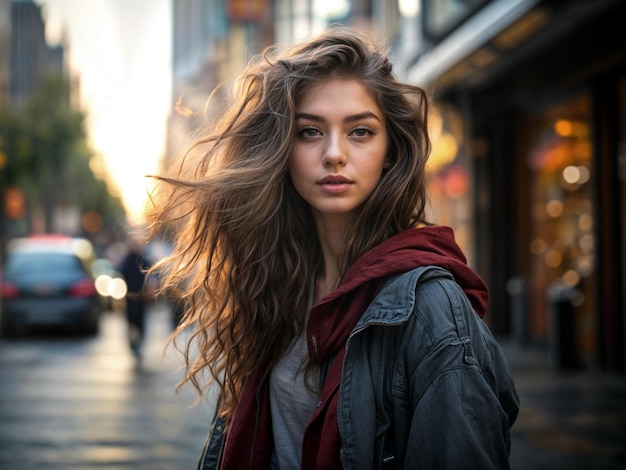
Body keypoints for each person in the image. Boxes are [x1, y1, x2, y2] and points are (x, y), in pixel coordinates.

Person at [148, 27, 519, 469]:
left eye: (360, 131)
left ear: (390, 150)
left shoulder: (433, 309)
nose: (334, 154)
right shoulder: (272, 283)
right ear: (282, 148)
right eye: (310, 132)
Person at [118, 237, 151, 359]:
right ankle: (133, 343)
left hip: (141, 297)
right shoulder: (128, 260)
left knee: (140, 322)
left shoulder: (143, 259)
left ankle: (138, 343)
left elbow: (151, 272)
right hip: (130, 297)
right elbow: (122, 273)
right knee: (131, 321)